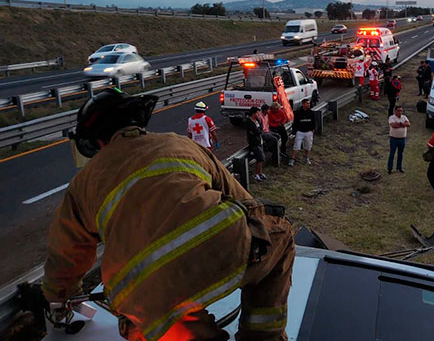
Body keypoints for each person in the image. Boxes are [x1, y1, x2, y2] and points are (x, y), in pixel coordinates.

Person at [44, 88, 294, 341]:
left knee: (170, 318)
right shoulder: (180, 144)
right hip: (217, 250)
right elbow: (246, 204)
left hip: (140, 301)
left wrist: (59, 299)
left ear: (96, 141)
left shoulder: (82, 184)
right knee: (280, 234)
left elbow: (64, 257)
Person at [289, 98, 315, 166]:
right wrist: (295, 130)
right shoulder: (298, 113)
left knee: (308, 145)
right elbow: (295, 122)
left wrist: (312, 130)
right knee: (296, 145)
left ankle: (307, 158)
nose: (308, 105)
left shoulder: (311, 113)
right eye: (307, 103)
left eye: (309, 103)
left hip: (308, 132)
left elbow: (314, 122)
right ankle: (292, 158)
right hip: (300, 132)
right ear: (303, 104)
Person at [246, 106, 267, 181]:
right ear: (253, 113)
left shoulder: (257, 120)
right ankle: (256, 174)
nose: (258, 114)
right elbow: (255, 131)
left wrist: (259, 131)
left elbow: (260, 129)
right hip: (254, 143)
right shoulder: (249, 122)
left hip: (259, 141)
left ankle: (260, 173)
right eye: (257, 113)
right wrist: (258, 131)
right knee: (260, 158)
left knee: (261, 158)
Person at [387, 105, 410, 174]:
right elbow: (393, 125)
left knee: (400, 154)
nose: (400, 112)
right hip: (394, 139)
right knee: (392, 154)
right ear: (395, 111)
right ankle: (390, 168)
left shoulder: (404, 117)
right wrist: (403, 124)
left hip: (402, 139)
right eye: (398, 111)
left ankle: (399, 167)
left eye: (401, 111)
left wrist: (399, 124)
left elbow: (408, 124)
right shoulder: (391, 117)